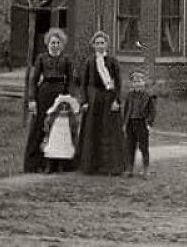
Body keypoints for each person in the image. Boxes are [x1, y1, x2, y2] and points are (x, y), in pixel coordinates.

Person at [23, 28, 73, 173]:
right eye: (53, 43)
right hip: (44, 95)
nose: (55, 45)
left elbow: (71, 80)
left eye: (58, 43)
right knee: (39, 127)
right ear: (48, 44)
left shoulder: (66, 60)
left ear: (62, 44)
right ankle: (35, 164)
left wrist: (68, 98)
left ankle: (58, 163)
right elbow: (33, 80)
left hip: (60, 96)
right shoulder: (41, 58)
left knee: (59, 128)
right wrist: (32, 99)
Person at [77, 30, 125, 175]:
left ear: (107, 44)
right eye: (97, 43)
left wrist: (117, 100)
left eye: (102, 43)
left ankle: (110, 166)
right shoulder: (89, 62)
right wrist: (84, 101)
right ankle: (91, 165)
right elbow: (84, 84)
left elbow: (118, 83)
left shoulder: (112, 61)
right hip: (93, 100)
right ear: (93, 45)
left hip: (108, 100)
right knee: (93, 132)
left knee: (108, 132)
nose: (100, 45)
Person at [123, 70, 156, 178]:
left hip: (142, 123)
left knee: (143, 147)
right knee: (130, 147)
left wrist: (149, 123)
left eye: (139, 81)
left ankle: (146, 168)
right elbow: (126, 110)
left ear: (143, 83)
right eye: (135, 82)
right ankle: (129, 168)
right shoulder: (129, 95)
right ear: (132, 84)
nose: (137, 84)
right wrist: (124, 123)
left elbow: (152, 112)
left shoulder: (148, 96)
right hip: (131, 123)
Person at [43, 93, 81, 173]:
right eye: (62, 107)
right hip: (55, 134)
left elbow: (74, 125)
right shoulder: (53, 117)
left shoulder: (70, 118)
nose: (64, 109)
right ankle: (49, 166)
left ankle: (61, 166)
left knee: (64, 150)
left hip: (65, 134)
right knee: (52, 149)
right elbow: (48, 123)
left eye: (66, 107)